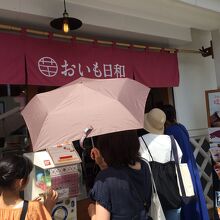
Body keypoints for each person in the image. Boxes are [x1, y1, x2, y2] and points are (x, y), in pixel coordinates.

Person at [88, 130, 152, 220]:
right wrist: (101, 164)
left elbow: (112, 181)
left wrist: (93, 212)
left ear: (107, 147)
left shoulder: (104, 179)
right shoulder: (144, 165)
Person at [160, 104, 209, 220]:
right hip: (191, 167)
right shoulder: (180, 127)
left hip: (181, 170)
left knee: (186, 202)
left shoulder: (169, 132)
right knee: (195, 200)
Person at [139, 108, 183, 220]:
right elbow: (179, 160)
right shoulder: (171, 140)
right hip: (173, 193)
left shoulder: (140, 141)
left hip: (152, 194)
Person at [0, 154, 58, 220]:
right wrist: (47, 208)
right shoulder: (34, 208)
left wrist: (29, 206)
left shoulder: (33, 208)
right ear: (20, 182)